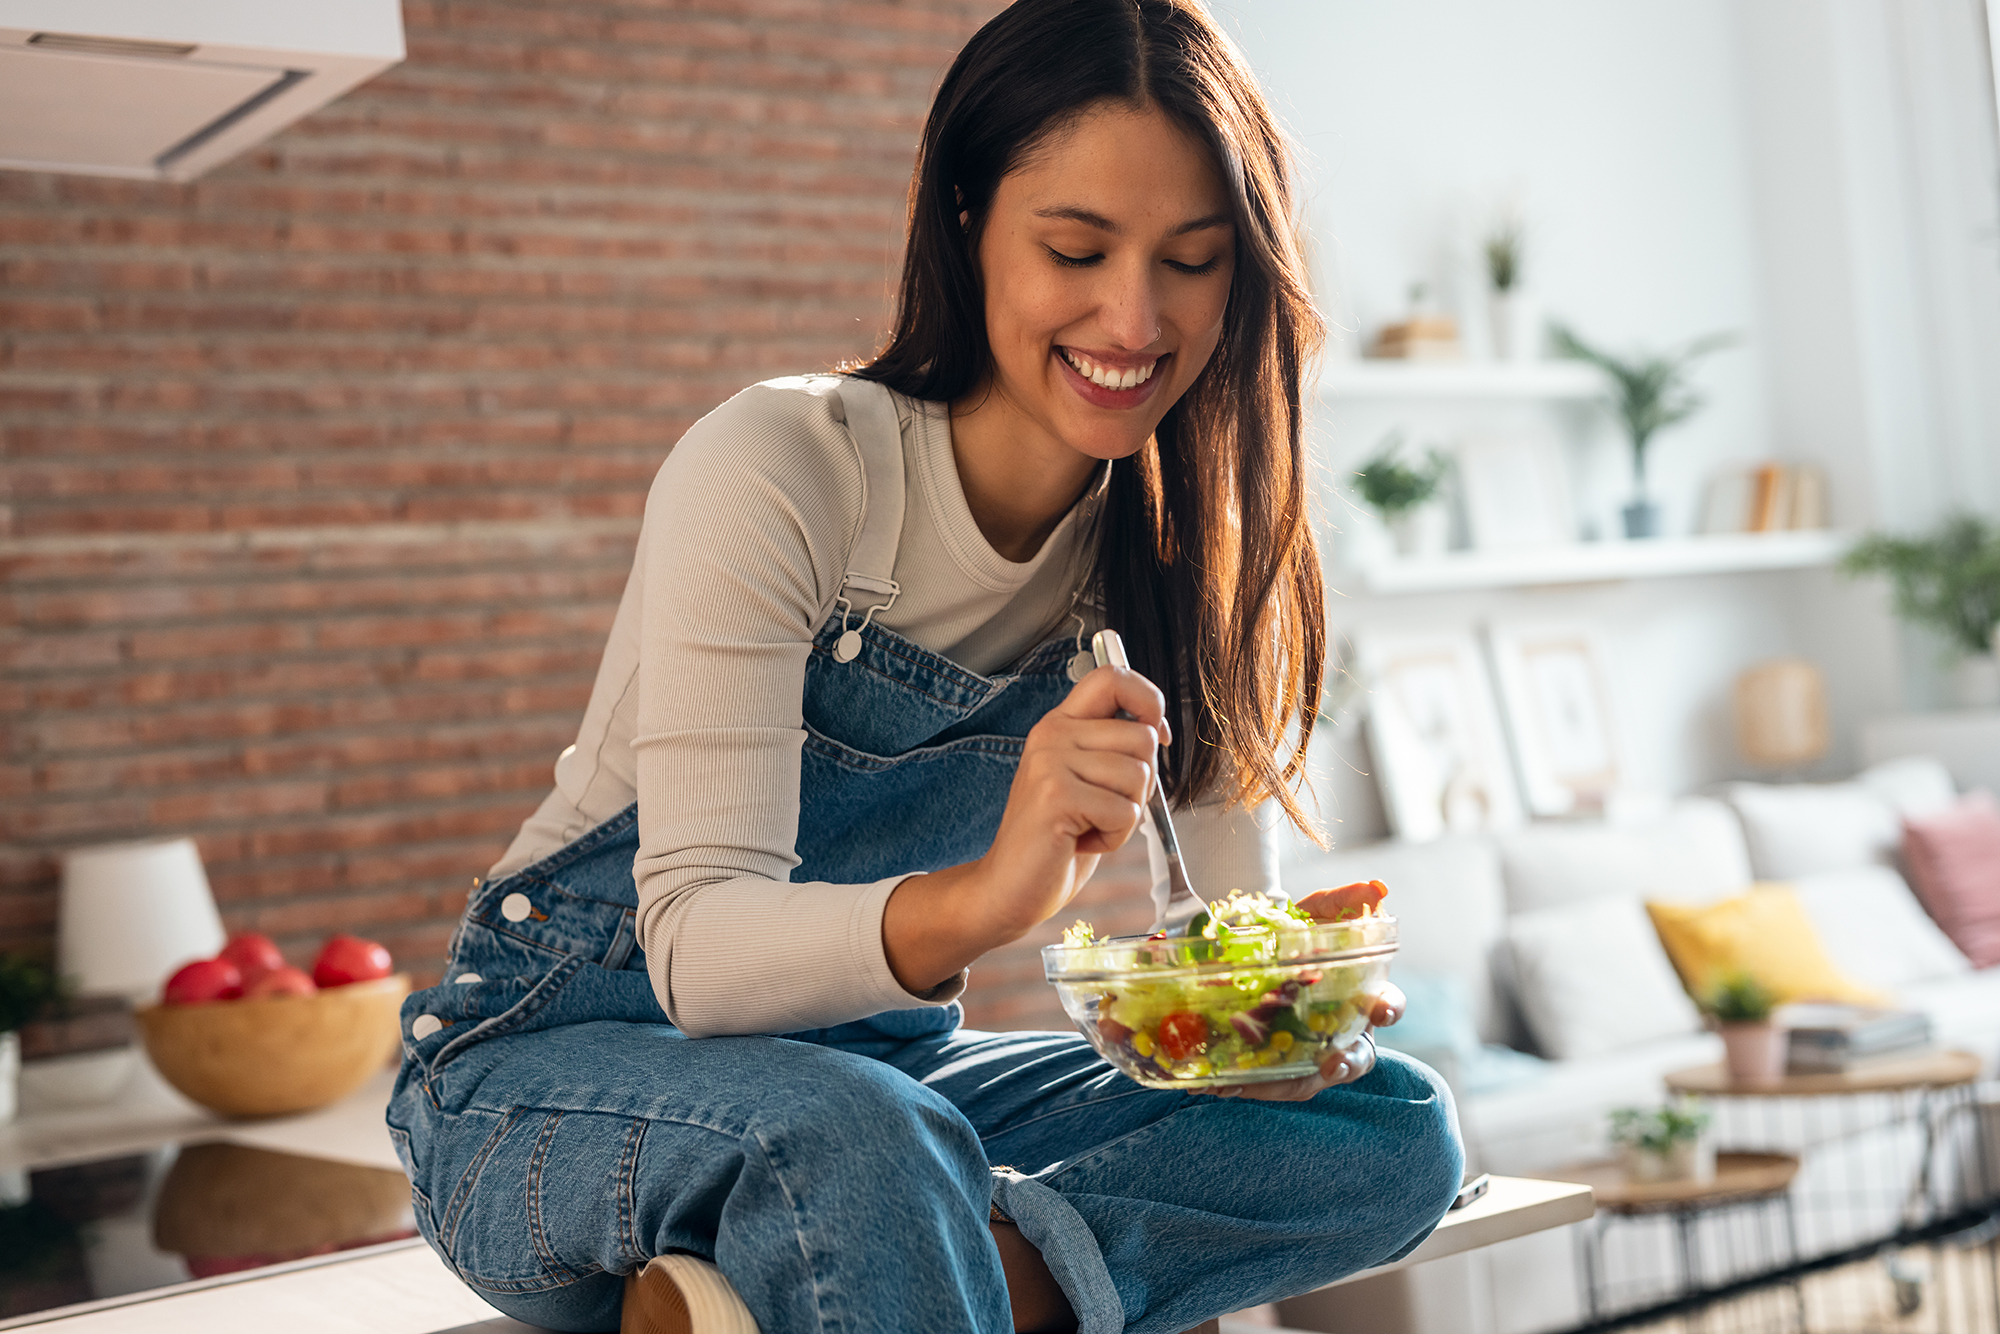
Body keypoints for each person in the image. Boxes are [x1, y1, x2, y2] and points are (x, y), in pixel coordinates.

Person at [387, 1, 1463, 1331]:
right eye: (1077, 248)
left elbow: (1228, 965)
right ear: (966, 221)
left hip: (879, 1093)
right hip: (550, 1082)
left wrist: (1285, 1020)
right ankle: (857, 1254)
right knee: (863, 1139)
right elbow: (702, 959)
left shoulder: (1180, 550)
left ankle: (798, 1286)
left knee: (1390, 1123)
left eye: (1192, 260)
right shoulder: (784, 467)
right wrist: (996, 892)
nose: (1135, 316)